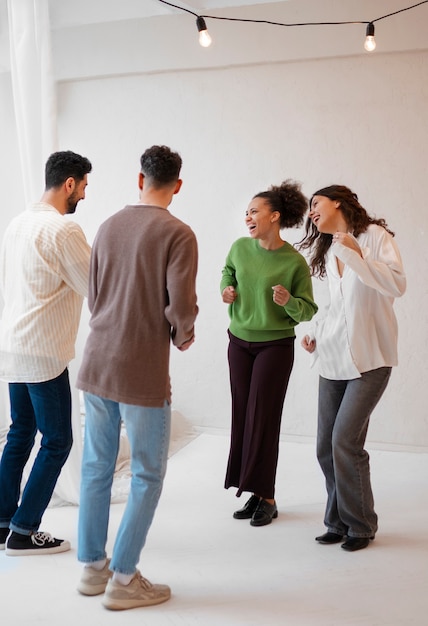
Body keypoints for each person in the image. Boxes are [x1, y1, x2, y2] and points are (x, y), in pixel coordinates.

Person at [76, 145, 198, 611]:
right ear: (177, 185)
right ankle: (124, 578)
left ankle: (92, 568)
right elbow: (181, 305)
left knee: (96, 468)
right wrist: (184, 334)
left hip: (97, 361)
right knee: (147, 473)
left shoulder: (107, 226)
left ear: (140, 179)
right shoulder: (178, 233)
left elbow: (95, 295)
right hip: (141, 368)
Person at [300, 185, 406, 552]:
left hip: (371, 358)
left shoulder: (375, 237)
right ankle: (337, 521)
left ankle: (360, 525)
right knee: (325, 448)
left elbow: (396, 285)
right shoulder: (329, 250)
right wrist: (313, 332)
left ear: (338, 203)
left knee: (345, 441)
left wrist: (358, 255)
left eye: (316, 203)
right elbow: (331, 307)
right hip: (331, 358)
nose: (311, 211)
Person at [0, 150, 92, 555]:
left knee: (20, 432)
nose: (84, 196)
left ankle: (2, 521)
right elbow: (96, 286)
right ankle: (24, 531)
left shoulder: (17, 223)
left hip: (13, 344)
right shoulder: (64, 230)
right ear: (69, 183)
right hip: (43, 351)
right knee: (57, 440)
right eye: (84, 186)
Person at [221, 180, 318, 527]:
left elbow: (307, 310)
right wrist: (227, 290)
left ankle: (269, 497)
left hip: (275, 346)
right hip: (238, 343)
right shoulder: (239, 248)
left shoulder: (294, 262)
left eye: (254, 211)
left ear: (274, 216)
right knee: (243, 416)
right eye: (246, 212)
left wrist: (289, 302)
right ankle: (253, 491)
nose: (248, 216)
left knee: (263, 417)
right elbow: (227, 273)